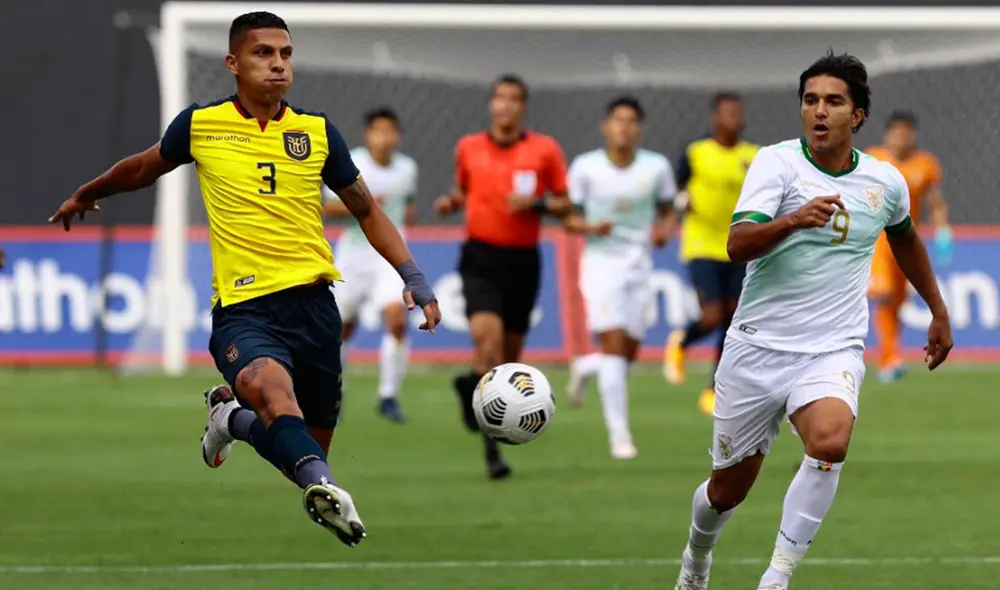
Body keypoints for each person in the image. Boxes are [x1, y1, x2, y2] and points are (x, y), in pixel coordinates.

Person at [48, 11, 441, 547]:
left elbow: (367, 209)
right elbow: (143, 166)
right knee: (275, 400)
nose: (278, 64)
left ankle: (230, 420)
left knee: (302, 449)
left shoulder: (316, 131)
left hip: (315, 309)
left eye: (286, 54)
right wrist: (88, 191)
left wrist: (413, 276)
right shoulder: (201, 124)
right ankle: (326, 487)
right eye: (263, 53)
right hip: (245, 310)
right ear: (233, 63)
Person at [672, 51, 952, 590]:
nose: (819, 111)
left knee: (830, 442)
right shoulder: (776, 164)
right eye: (810, 100)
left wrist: (938, 309)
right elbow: (737, 244)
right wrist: (794, 220)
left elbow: (906, 238)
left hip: (831, 348)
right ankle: (695, 560)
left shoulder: (883, 181)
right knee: (725, 493)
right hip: (757, 349)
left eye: (833, 101)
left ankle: (777, 578)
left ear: (858, 115)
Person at [434, 73, 570, 480]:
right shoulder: (468, 147)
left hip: (523, 261)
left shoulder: (545, 150)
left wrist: (537, 204)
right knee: (488, 343)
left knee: (509, 359)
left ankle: (468, 386)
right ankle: (492, 452)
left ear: (523, 107)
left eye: (513, 99)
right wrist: (451, 203)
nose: (505, 105)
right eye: (500, 98)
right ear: (491, 104)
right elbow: (462, 191)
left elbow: (565, 204)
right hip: (480, 257)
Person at [563, 96, 676, 459]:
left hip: (639, 264)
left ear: (639, 129)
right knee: (613, 346)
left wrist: (664, 230)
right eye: (618, 120)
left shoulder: (656, 167)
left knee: (627, 353)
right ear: (605, 126)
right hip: (601, 264)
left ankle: (586, 366)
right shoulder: (586, 167)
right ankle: (620, 437)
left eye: (631, 121)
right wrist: (590, 226)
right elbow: (569, 218)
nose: (624, 127)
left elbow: (668, 209)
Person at [663, 93, 760, 416]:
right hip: (702, 244)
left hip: (740, 246)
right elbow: (674, 188)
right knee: (713, 315)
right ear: (715, 118)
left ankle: (714, 387)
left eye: (738, 112)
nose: (734, 118)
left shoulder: (754, 155)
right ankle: (682, 342)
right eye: (728, 113)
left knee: (734, 321)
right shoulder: (696, 152)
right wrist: (681, 203)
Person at [322, 106, 418, 422]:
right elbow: (328, 208)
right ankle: (335, 394)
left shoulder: (407, 168)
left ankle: (388, 395)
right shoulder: (352, 163)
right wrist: (363, 205)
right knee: (342, 328)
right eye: (379, 131)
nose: (385, 138)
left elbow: (407, 207)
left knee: (397, 320)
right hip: (355, 256)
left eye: (391, 131)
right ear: (368, 135)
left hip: (389, 256)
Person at [865, 111, 950, 382]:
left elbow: (935, 202)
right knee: (885, 293)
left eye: (906, 133)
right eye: (897, 132)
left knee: (897, 301)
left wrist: (943, 230)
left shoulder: (925, 165)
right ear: (888, 135)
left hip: (907, 241)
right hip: (879, 241)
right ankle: (890, 358)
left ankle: (889, 358)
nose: (901, 138)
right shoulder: (873, 160)